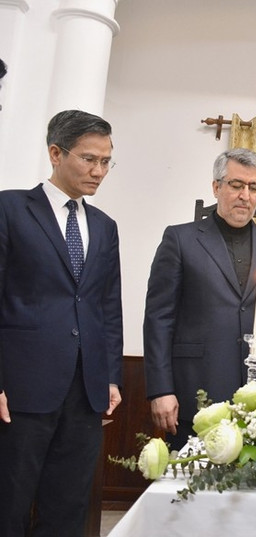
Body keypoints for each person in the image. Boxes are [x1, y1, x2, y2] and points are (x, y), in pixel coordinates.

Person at [0, 110, 123, 537]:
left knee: (68, 511)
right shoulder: (9, 209)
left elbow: (107, 307)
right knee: (8, 505)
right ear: (56, 153)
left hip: (85, 391)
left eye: (106, 161)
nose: (99, 171)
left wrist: (111, 376)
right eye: (89, 159)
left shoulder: (105, 227)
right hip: (20, 389)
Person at [144, 147, 256, 448]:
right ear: (216, 187)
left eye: (253, 187)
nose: (245, 195)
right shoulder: (180, 240)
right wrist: (160, 389)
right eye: (236, 185)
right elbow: (158, 320)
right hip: (196, 393)